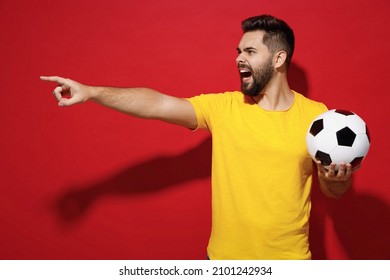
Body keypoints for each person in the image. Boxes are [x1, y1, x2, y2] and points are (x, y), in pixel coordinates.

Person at [41, 14, 355, 260]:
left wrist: (336, 180)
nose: (238, 58)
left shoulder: (318, 118)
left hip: (290, 263)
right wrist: (92, 92)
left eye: (249, 51)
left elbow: (332, 191)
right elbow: (158, 103)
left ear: (278, 59)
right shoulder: (224, 107)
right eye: (238, 51)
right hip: (222, 263)